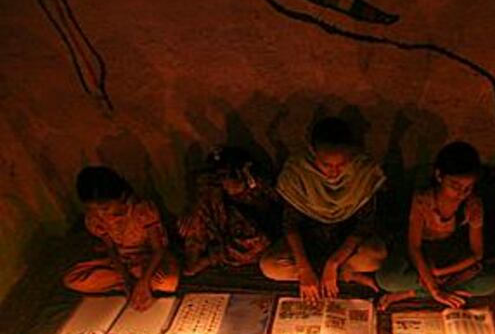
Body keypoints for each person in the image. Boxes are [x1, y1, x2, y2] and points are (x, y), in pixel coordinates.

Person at [260, 116, 387, 303]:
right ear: (313, 152)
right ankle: (340, 274)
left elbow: (363, 225)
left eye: (342, 164)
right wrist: (303, 268)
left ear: (351, 153)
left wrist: (333, 262)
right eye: (326, 164)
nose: (333, 172)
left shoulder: (364, 172)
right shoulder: (297, 172)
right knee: (269, 266)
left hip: (346, 244)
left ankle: (334, 271)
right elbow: (290, 224)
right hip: (309, 241)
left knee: (376, 255)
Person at [376, 141, 495, 310]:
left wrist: (439, 273)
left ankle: (411, 293)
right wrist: (434, 284)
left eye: (468, 188)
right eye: (455, 185)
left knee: (491, 283)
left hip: (449, 254)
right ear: (439, 176)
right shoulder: (423, 200)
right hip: (421, 254)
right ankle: (441, 289)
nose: (461, 193)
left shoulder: (473, 205)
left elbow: (477, 254)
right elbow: (414, 246)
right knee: (388, 279)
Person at [63, 166, 179, 310]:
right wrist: (126, 279)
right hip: (122, 262)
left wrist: (143, 280)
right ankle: (132, 284)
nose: (99, 214)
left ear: (121, 196)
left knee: (168, 281)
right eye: (92, 209)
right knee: (73, 279)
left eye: (104, 208)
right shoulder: (95, 218)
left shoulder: (141, 210)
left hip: (149, 260)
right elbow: (111, 249)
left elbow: (158, 249)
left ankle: (140, 284)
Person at [179, 146, 278, 276]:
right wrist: (193, 208)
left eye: (226, 175)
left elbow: (262, 237)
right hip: (220, 236)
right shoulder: (215, 190)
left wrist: (209, 259)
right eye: (220, 176)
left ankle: (204, 261)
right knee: (197, 213)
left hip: (248, 243)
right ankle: (192, 259)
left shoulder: (259, 190)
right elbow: (202, 197)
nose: (223, 181)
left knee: (256, 244)